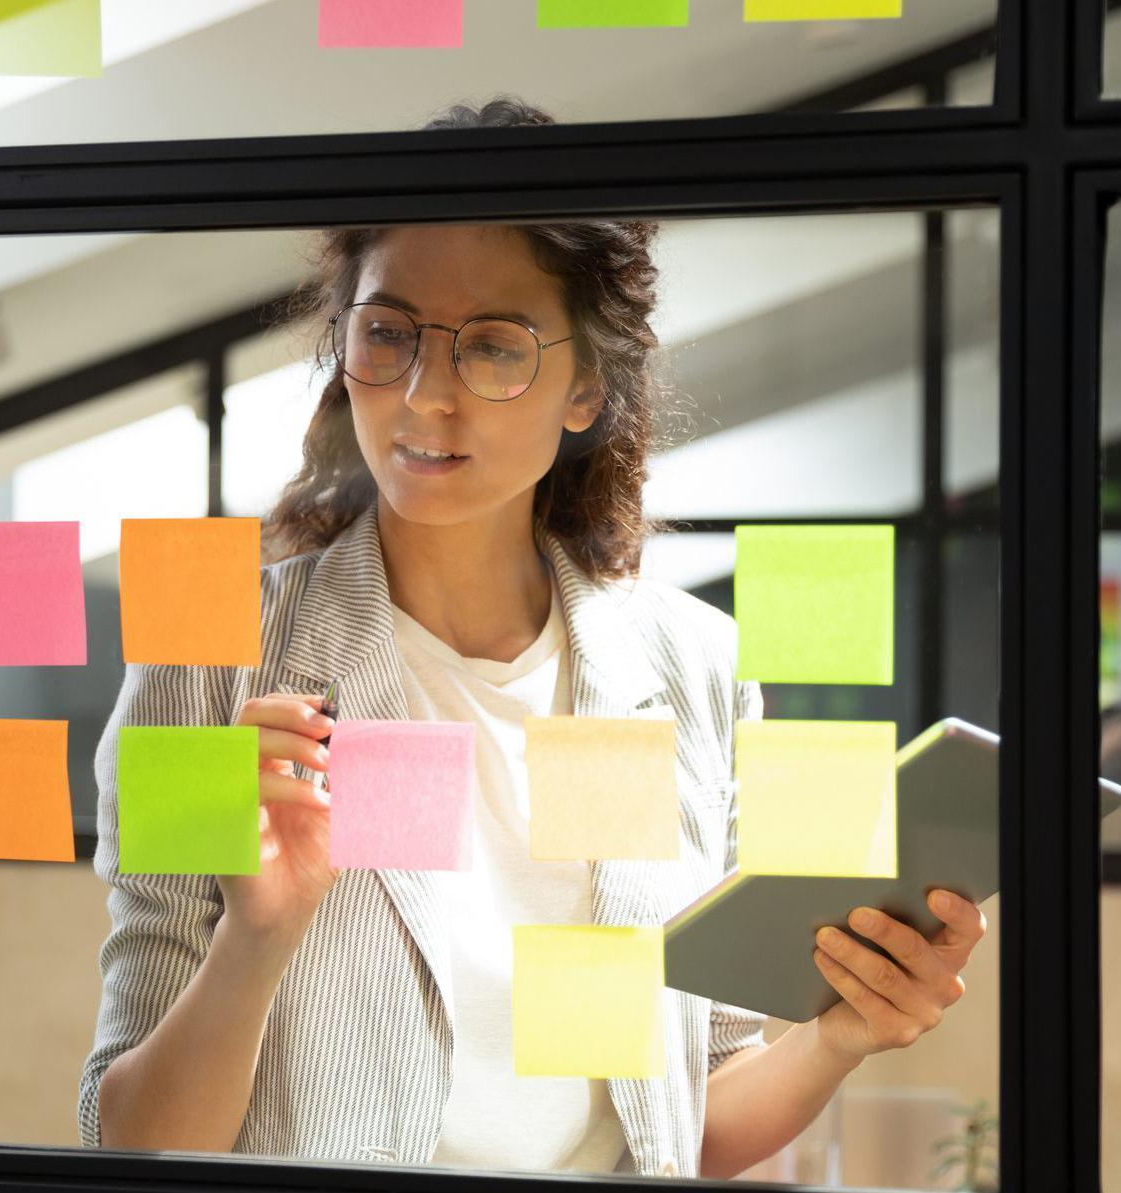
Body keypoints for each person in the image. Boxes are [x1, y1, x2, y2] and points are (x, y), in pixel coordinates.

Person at [78, 97, 987, 1179]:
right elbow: (133, 1142)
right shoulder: (216, 663)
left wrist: (841, 1033)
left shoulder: (695, 671)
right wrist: (255, 938)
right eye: (388, 333)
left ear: (586, 391)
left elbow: (685, 1124)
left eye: (496, 348)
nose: (426, 395)